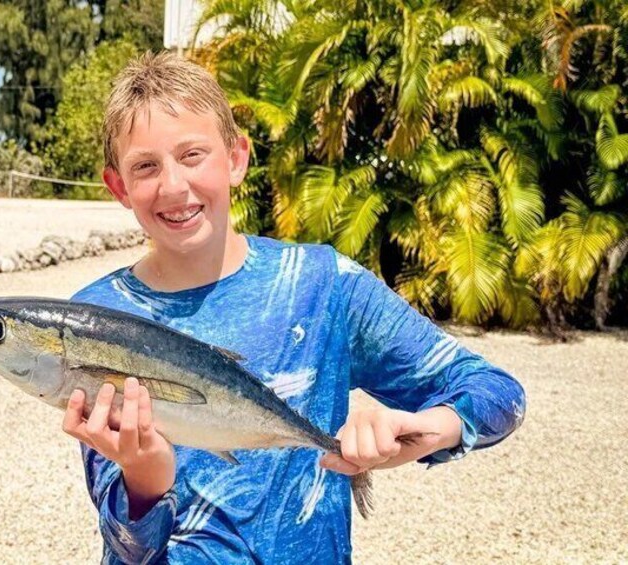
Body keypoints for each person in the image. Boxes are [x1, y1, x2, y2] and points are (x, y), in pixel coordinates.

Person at [61, 51, 526, 564]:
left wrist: (428, 430)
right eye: (145, 166)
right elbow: (130, 550)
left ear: (236, 158)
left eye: (192, 155)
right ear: (119, 187)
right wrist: (145, 480)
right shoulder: (95, 319)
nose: (172, 185)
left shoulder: (322, 285)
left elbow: (499, 393)